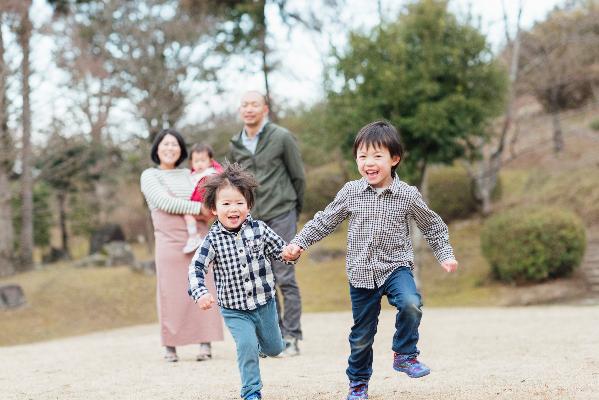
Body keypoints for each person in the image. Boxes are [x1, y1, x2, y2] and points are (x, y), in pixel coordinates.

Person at [282, 121, 459, 400]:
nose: (369, 163)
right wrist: (299, 242)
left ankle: (405, 354)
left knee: (411, 304)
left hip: (395, 267)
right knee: (362, 334)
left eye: (377, 156)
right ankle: (358, 382)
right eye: (362, 156)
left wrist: (445, 253)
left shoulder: (407, 195)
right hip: (361, 272)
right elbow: (325, 221)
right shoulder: (351, 192)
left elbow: (433, 226)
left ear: (394, 159)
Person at [188, 163, 299, 400]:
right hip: (234, 309)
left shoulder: (260, 229)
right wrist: (200, 293)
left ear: (248, 206)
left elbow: (279, 250)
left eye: (239, 203)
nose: (233, 208)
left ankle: (263, 345)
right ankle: (251, 392)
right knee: (246, 346)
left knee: (275, 348)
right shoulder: (212, 240)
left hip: (264, 303)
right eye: (226, 204)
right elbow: (196, 267)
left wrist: (289, 254)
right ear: (214, 209)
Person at [228, 90, 306, 357]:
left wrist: (295, 211)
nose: (249, 109)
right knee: (263, 280)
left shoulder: (281, 137)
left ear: (265, 109)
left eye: (254, 104)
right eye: (245, 104)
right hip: (252, 219)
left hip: (281, 212)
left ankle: (293, 336)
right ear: (240, 110)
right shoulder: (235, 143)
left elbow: (298, 177)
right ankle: (273, 338)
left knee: (284, 275)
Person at [140, 128, 223, 362]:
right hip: (168, 240)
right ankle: (170, 346)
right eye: (165, 144)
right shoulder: (150, 175)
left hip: (198, 237)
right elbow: (162, 202)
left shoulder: (191, 173)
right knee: (170, 292)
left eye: (175, 144)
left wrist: (209, 208)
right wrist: (198, 209)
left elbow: (209, 195)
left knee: (204, 286)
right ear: (157, 148)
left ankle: (205, 343)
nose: (170, 148)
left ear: (181, 150)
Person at [182, 143, 223, 254]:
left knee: (188, 216)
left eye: (203, 160)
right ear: (191, 163)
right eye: (196, 161)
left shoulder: (212, 173)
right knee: (188, 216)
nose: (199, 164)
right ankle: (194, 237)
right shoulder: (192, 176)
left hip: (209, 204)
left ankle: (193, 238)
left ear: (210, 161)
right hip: (197, 206)